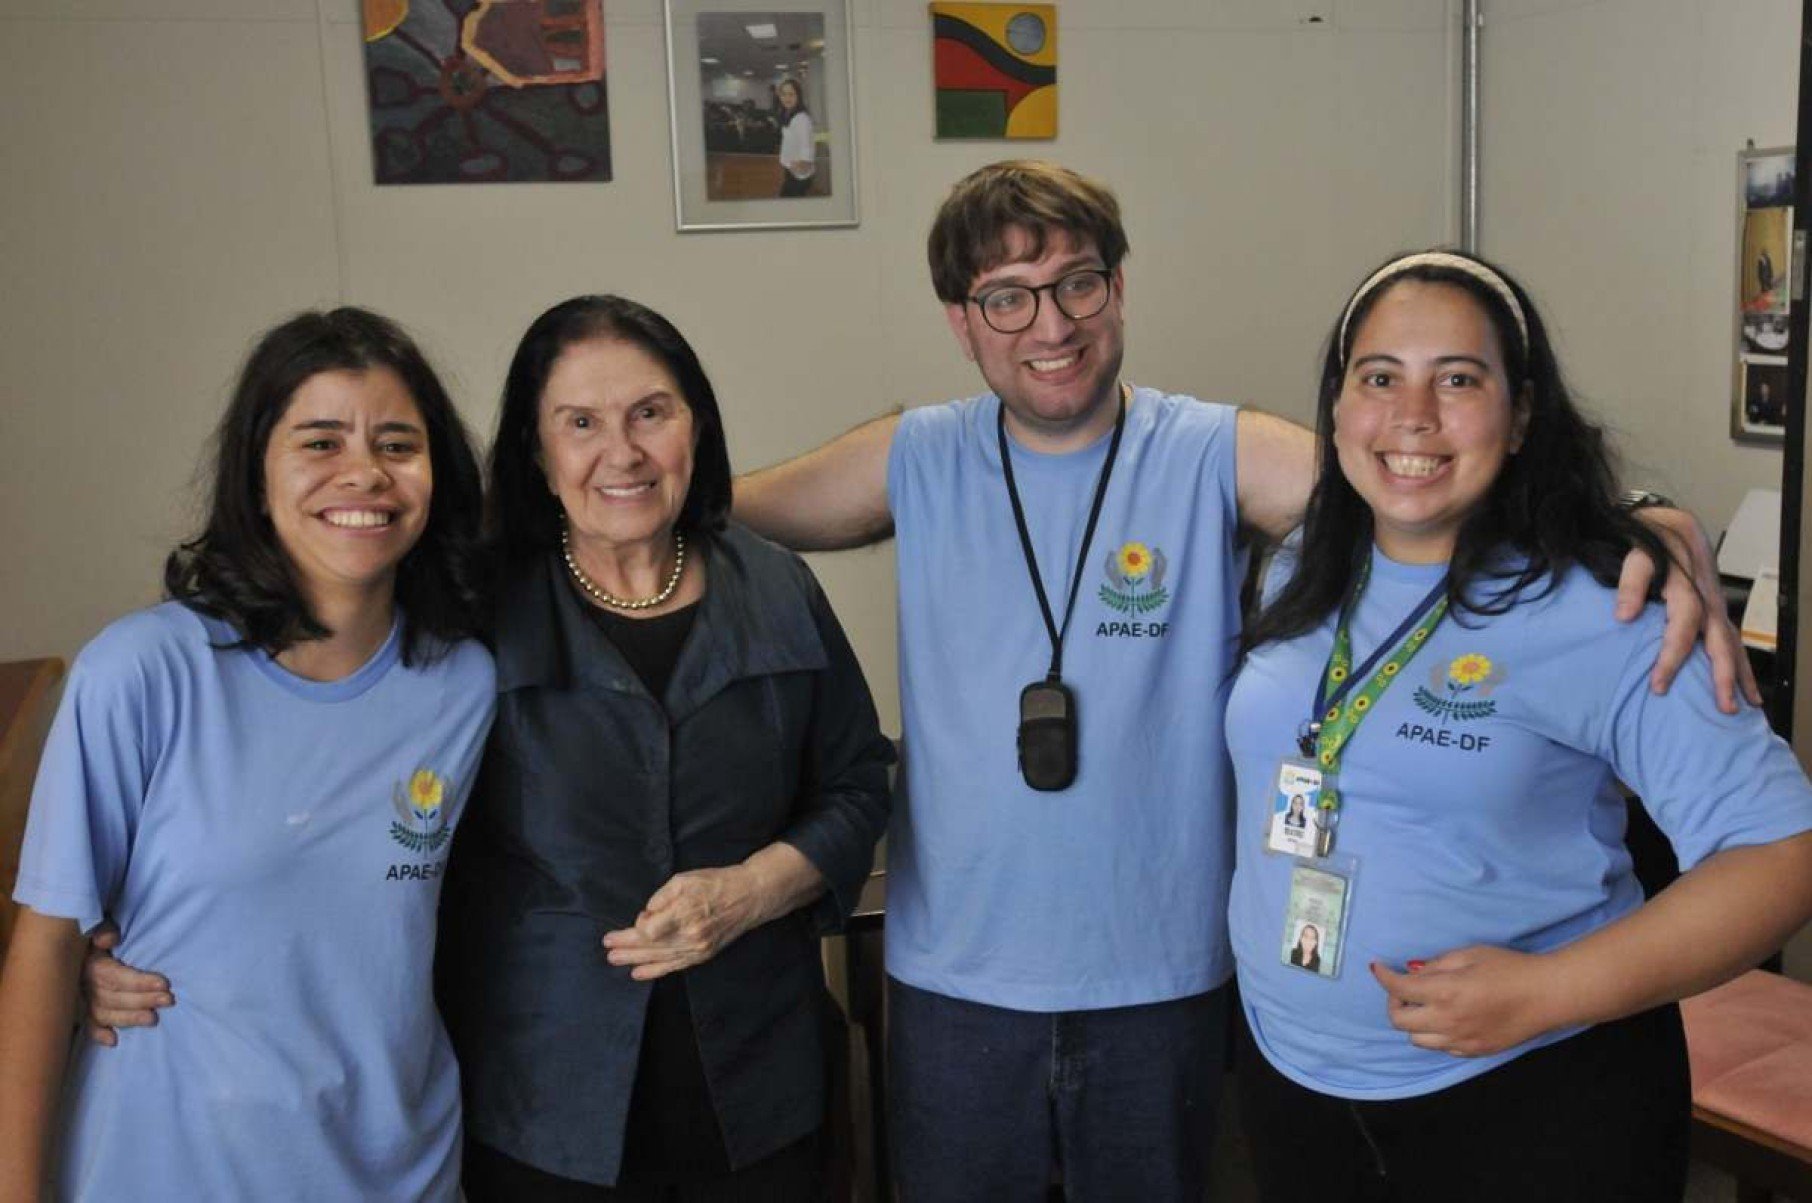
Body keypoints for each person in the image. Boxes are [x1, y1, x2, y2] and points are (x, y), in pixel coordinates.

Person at [730, 161, 1748, 1202]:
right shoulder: (917, 458)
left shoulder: (1212, 451)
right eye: (1007, 298)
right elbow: (707, 505)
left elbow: (1419, 467)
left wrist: (1634, 515)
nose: (1051, 325)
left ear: (1118, 289)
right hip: (956, 981)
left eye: (1077, 283)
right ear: (962, 320)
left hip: (1163, 979)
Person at [1226, 249, 1812, 1202]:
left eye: (1459, 379)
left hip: (1528, 1096)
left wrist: (1549, 991)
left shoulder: (1611, 603)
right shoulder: (1297, 565)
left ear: (1523, 414)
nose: (1414, 415)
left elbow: (1781, 855)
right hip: (1291, 1081)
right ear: (1336, 406)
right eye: (1380, 377)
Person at [0, 308, 496, 1201]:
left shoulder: (466, 682)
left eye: (397, 444)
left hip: (402, 1171)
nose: (365, 472)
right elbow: (45, 946)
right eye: (320, 441)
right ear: (257, 476)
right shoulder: (142, 669)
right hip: (167, 1167)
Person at [435, 294, 892, 1197]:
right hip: (541, 1101)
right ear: (537, 452)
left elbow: (859, 782)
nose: (623, 452)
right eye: (580, 423)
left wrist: (755, 888)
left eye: (651, 412)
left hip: (763, 1086)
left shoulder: (779, 586)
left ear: (697, 425)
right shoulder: (472, 611)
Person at [775, 78, 816, 198]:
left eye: (791, 94)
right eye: (783, 94)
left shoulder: (801, 118)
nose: (787, 98)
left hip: (799, 173)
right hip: (791, 169)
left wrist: (803, 164)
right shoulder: (788, 114)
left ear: (798, 96)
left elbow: (807, 144)